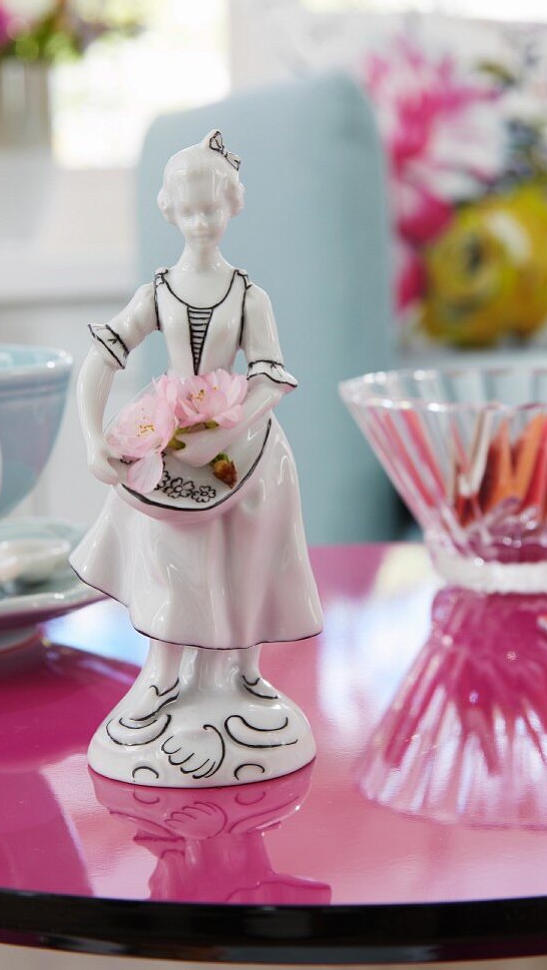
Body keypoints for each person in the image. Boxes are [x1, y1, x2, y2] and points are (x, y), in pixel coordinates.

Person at [70, 130, 322, 786]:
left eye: (212, 208)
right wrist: (92, 437)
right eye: (189, 211)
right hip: (169, 443)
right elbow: (103, 356)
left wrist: (224, 432)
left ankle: (238, 674)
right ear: (170, 213)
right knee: (170, 556)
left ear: (232, 206)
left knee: (243, 557)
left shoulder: (249, 295)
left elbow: (270, 374)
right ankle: (161, 674)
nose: (202, 222)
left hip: (247, 449)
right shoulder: (157, 291)